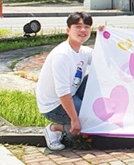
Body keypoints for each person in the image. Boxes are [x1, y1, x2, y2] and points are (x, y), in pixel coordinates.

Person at [36, 12, 101, 151]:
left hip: (73, 94)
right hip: (54, 105)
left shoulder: (84, 51)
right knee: (90, 121)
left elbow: (104, 58)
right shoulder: (62, 55)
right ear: (68, 30)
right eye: (78, 26)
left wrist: (105, 35)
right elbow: (62, 92)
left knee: (99, 73)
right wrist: (75, 119)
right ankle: (55, 129)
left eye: (87, 27)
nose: (83, 30)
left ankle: (80, 117)